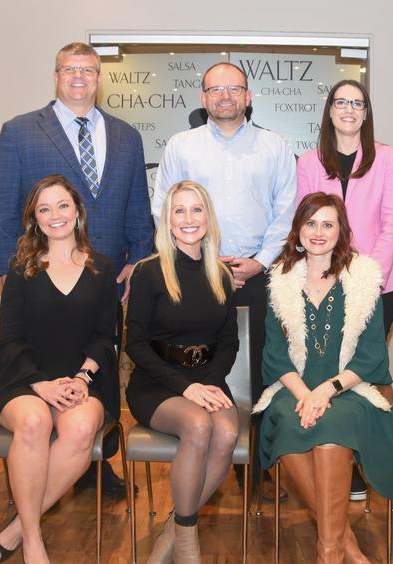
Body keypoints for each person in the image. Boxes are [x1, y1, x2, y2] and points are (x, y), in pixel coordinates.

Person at [0, 41, 153, 498]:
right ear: (56, 75)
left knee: (97, 359)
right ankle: (37, 467)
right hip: (40, 275)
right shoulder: (21, 131)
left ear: (100, 77)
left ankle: (93, 463)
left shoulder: (126, 136)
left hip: (104, 277)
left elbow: (138, 205)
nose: (79, 77)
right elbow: (0, 208)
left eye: (88, 69)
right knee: (43, 361)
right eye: (69, 69)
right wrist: (15, 273)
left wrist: (137, 262)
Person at [152, 61, 297, 500]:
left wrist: (260, 261)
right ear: (203, 98)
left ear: (248, 96)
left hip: (257, 276)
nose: (225, 96)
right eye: (216, 89)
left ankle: (257, 471)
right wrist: (201, 261)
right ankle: (205, 459)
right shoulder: (182, 146)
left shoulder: (274, 146)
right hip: (196, 273)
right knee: (204, 363)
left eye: (234, 88)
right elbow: (164, 206)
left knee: (261, 374)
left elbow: (287, 211)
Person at [0, 175, 118, 564]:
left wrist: (82, 377)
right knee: (35, 421)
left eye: (62, 205)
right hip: (23, 379)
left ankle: (17, 528)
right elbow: (10, 339)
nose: (55, 215)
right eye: (44, 209)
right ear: (34, 219)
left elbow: (105, 336)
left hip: (80, 380)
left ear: (77, 211)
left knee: (80, 428)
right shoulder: (20, 269)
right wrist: (40, 384)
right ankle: (33, 540)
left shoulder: (102, 268)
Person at [254, 192, 393, 564]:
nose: (318, 232)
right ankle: (343, 542)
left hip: (350, 388)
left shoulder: (364, 277)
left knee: (332, 433)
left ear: (341, 231)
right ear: (299, 230)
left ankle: (328, 552)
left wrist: (327, 391)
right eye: (311, 223)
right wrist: (307, 395)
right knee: (287, 420)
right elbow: (275, 353)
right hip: (294, 388)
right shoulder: (280, 279)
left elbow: (371, 355)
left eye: (327, 224)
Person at [296, 79, 393, 500]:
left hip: (378, 282)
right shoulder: (309, 161)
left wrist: (366, 277)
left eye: (357, 103)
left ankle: (372, 457)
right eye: (341, 102)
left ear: (366, 113)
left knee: (369, 371)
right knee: (330, 369)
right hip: (323, 283)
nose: (348, 109)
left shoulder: (387, 158)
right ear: (329, 110)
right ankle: (341, 459)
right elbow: (306, 220)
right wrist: (328, 276)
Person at [125, 181, 239, 563]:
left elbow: (229, 343)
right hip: (156, 382)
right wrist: (185, 388)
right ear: (168, 221)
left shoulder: (222, 274)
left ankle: (174, 528)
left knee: (227, 433)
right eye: (179, 210)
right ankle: (188, 544)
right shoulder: (147, 272)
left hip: (207, 380)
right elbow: (135, 344)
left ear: (208, 218)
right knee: (199, 425)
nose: (189, 218)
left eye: (196, 209)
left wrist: (208, 382)